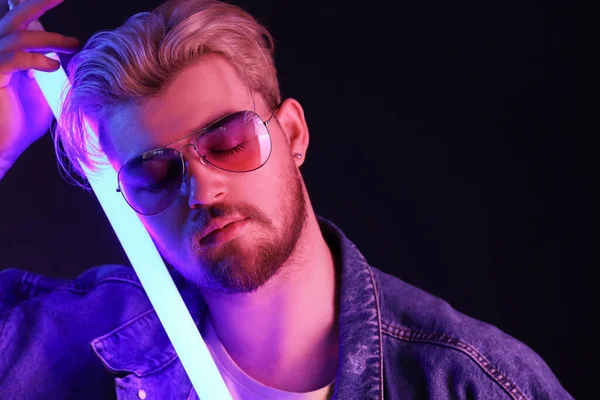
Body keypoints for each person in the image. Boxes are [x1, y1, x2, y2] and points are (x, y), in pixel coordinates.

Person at [0, 0, 574, 398]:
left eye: (227, 141)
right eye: (154, 174)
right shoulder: (75, 342)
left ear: (293, 134)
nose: (201, 187)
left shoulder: (474, 383)